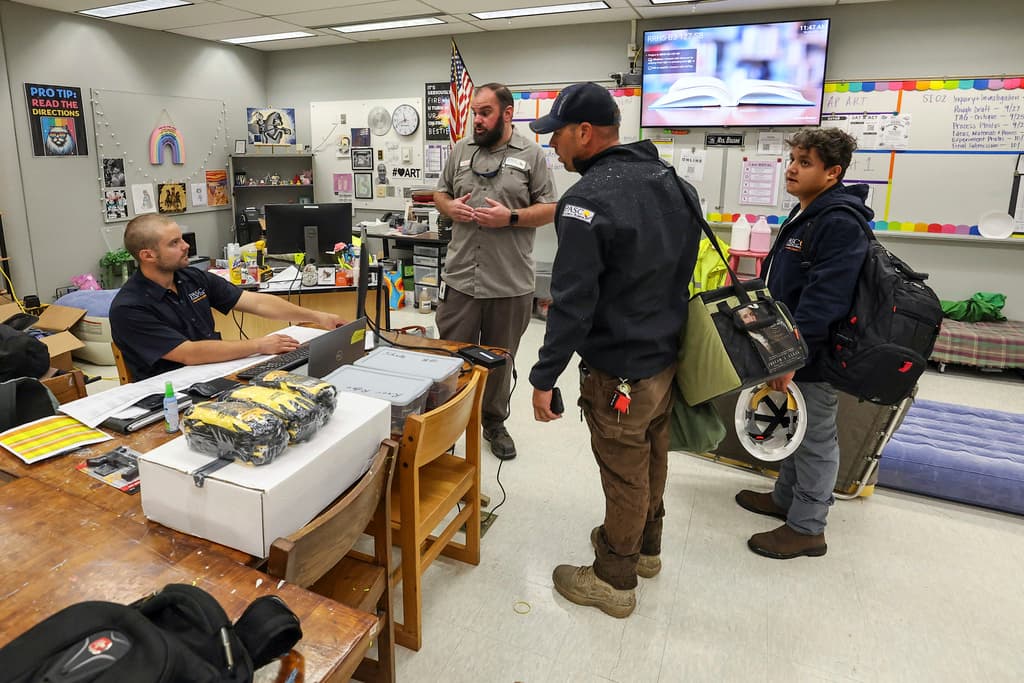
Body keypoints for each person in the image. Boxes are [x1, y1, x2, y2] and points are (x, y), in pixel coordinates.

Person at [528, 82, 699, 617]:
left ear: (583, 132)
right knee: (653, 452)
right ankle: (647, 548)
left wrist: (543, 376)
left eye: (556, 135)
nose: (553, 148)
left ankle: (614, 579)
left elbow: (574, 303)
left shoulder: (587, 201)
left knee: (624, 466)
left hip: (618, 368)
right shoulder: (673, 182)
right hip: (666, 357)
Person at [735, 128, 872, 560]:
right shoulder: (808, 213)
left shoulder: (839, 223)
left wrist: (792, 355)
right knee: (799, 422)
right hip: (793, 343)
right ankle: (785, 497)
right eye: (792, 159)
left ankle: (808, 527)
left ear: (833, 173)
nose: (792, 168)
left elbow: (824, 301)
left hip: (814, 349)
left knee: (815, 436)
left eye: (805, 162)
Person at [434, 82, 557, 460]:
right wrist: (449, 207)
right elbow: (439, 193)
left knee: (499, 359)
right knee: (450, 357)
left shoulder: (532, 155)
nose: (477, 119)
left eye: (485, 112)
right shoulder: (460, 151)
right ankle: (443, 426)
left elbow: (551, 208)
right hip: (460, 279)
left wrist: (512, 217)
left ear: (507, 114)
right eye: (474, 112)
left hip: (509, 283)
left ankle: (494, 421)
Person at [110, 214, 344, 381]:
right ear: (147, 255)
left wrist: (318, 316)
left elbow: (256, 301)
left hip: (214, 370)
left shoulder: (191, 277)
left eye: (182, 239)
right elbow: (188, 353)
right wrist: (259, 345)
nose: (186, 246)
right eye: (174, 243)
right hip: (170, 389)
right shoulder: (129, 307)